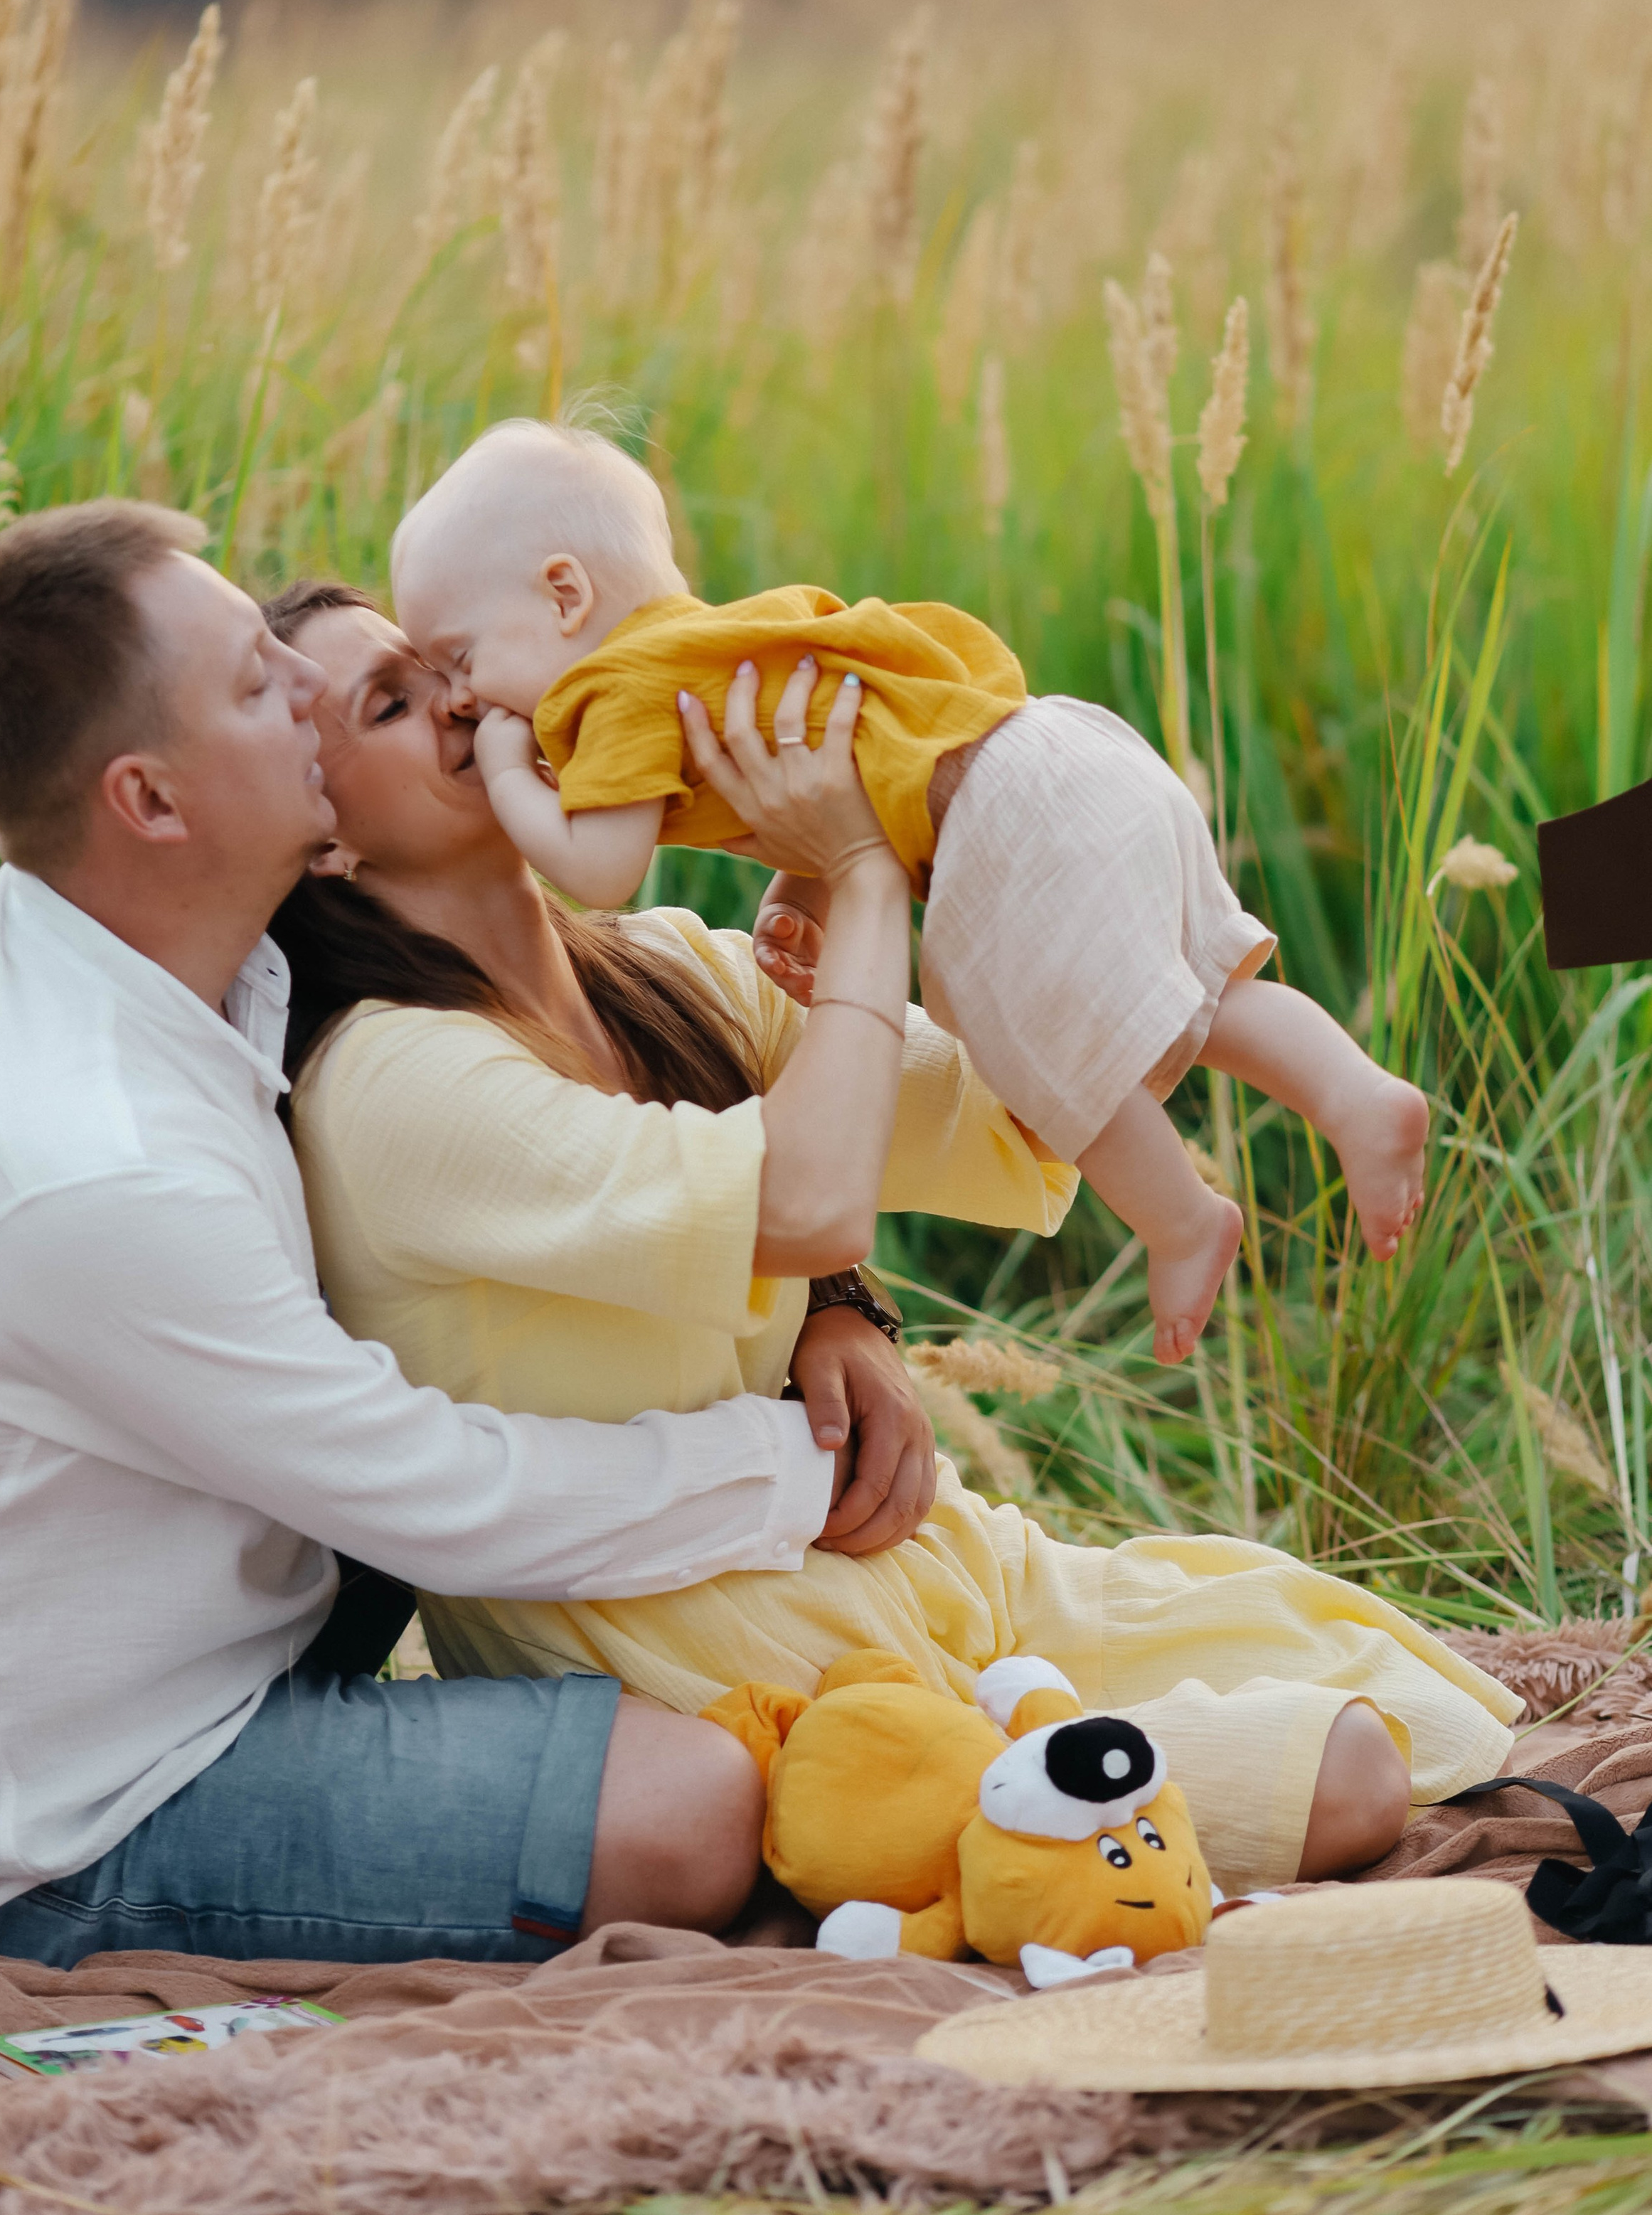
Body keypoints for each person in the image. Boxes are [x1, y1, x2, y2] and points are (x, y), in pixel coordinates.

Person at [268, 578, 1520, 1901]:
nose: (465, 702)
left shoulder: (657, 972)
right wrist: (862, 883)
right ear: (323, 837)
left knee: (1357, 1657)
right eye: (394, 703)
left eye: (452, 665)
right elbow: (803, 1201)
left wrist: (963, 814)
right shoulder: (391, 1081)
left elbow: (1022, 1098)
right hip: (705, 1666)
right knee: (1346, 1776)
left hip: (881, 1562)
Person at [0, 499, 905, 1966]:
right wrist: (789, 1463)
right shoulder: (86, 1157)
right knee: (688, 1800)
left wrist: (835, 1298)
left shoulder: (187, 964)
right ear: (151, 802)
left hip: (231, 1661)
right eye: (253, 682)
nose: (302, 687)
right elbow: (425, 1492)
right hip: (48, 1820)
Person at [390, 416, 1429, 1368]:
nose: (461, 698)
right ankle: (1353, 1094)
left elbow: (599, 870)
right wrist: (809, 881)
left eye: (460, 658)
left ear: (565, 596)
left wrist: (515, 772)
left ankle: (1182, 1222)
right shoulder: (725, 643)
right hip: (1056, 755)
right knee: (1193, 998)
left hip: (1001, 811)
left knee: (1025, 1033)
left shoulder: (606, 689)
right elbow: (858, 746)